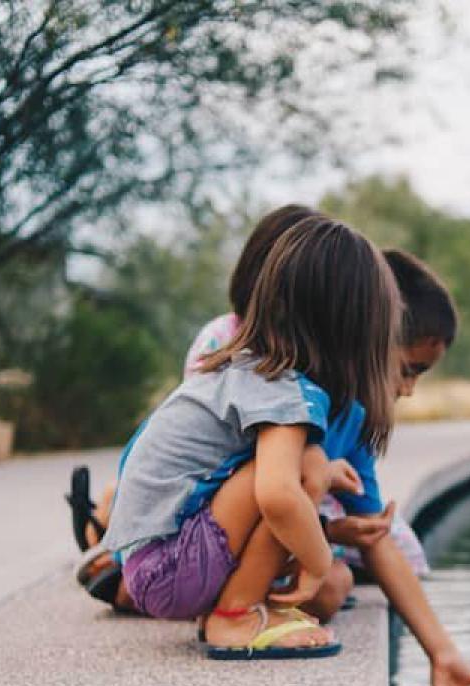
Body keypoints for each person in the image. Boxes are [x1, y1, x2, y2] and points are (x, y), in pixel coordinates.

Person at [100, 214, 395, 659]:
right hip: (167, 571)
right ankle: (235, 616)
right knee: (294, 473)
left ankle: (238, 607)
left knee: (308, 466)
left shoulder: (254, 368)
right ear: (351, 327)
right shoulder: (283, 389)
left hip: (149, 565)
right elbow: (276, 494)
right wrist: (316, 561)